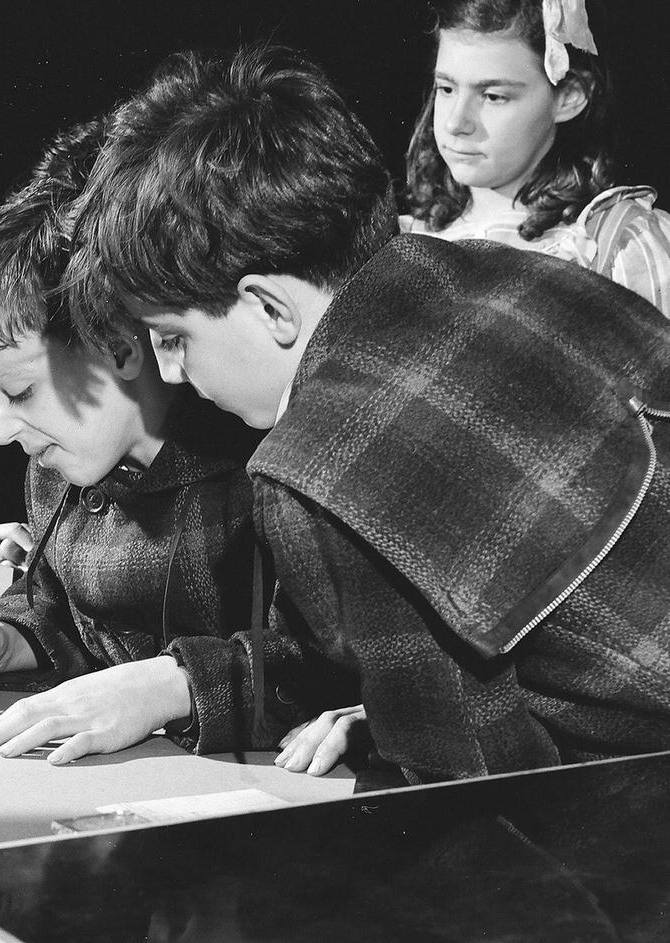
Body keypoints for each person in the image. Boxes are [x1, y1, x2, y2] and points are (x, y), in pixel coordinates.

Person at [65, 43, 670, 786]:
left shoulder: (317, 471)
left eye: (173, 338)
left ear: (267, 307)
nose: (170, 374)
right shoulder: (523, 274)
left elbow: (473, 797)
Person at [0, 119, 329, 765]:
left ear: (117, 345)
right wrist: (0, 639)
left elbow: (324, 662)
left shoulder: (258, 469)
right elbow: (60, 609)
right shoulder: (60, 466)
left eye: (19, 393)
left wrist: (174, 686)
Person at [404, 0, 670, 314]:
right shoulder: (405, 240)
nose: (455, 123)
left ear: (569, 97)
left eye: (493, 96)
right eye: (446, 88)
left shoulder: (614, 245)